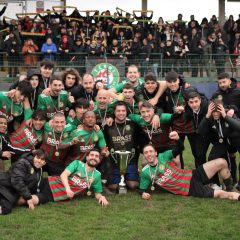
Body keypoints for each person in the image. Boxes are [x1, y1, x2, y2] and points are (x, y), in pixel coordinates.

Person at [140, 132, 240, 201]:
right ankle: (236, 196)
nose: (149, 154)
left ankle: (229, 187)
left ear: (155, 152)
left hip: (192, 174)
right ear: (144, 155)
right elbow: (142, 189)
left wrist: (178, 139)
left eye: (151, 151)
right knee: (220, 193)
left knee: (222, 162)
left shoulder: (164, 156)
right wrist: (143, 194)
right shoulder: (146, 172)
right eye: (146, 153)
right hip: (189, 188)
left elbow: (180, 148)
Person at [32, 149, 109, 206]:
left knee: (28, 200)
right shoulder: (77, 163)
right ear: (87, 157)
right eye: (92, 155)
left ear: (99, 160)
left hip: (54, 196)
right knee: (25, 189)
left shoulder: (97, 175)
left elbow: (97, 193)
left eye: (96, 156)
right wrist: (68, 189)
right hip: (49, 183)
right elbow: (64, 175)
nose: (94, 157)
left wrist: (101, 197)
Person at [104, 101, 139, 191]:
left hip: (130, 160)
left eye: (123, 111)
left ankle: (130, 177)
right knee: (113, 187)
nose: (121, 113)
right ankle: (120, 179)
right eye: (118, 111)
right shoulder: (108, 126)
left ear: (126, 112)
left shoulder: (133, 125)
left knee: (133, 186)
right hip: (114, 161)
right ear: (114, 112)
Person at [0, 149, 47, 215]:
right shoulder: (23, 162)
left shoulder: (39, 170)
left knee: (6, 209)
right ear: (34, 156)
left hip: (11, 192)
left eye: (42, 160)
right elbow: (17, 180)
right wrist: (28, 197)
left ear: (44, 163)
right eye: (38, 158)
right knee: (6, 208)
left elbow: (33, 185)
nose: (39, 161)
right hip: (3, 185)